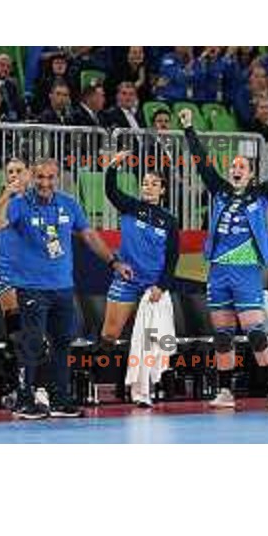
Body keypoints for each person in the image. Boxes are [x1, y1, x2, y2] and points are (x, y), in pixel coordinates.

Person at [178, 107, 268, 410]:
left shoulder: (262, 194)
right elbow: (202, 164)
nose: (236, 169)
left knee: (255, 333)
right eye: (233, 166)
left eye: (242, 167)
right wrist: (189, 130)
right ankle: (226, 392)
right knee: (223, 337)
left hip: (247, 270)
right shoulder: (221, 191)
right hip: (218, 271)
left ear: (251, 173)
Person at [0, 158, 132, 420]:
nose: (45, 183)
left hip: (63, 288)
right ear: (32, 177)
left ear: (57, 178)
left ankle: (59, 399)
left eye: (50, 177)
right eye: (40, 177)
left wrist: (114, 262)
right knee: (31, 344)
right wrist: (7, 193)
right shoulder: (19, 203)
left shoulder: (68, 203)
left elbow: (88, 235)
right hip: (31, 288)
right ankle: (24, 400)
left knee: (62, 344)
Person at [98, 152, 179, 405]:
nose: (149, 187)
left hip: (153, 288)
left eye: (155, 184)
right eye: (145, 183)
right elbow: (111, 191)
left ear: (163, 190)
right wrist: (112, 167)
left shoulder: (169, 221)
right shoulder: (130, 206)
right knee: (110, 335)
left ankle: (145, 389)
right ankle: (98, 384)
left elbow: (172, 258)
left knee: (152, 340)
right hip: (127, 281)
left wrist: (162, 286)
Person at [0, 158, 32, 401]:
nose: (14, 175)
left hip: (34, 276)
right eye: (10, 172)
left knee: (34, 332)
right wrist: (7, 195)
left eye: (18, 171)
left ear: (28, 174)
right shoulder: (1, 200)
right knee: (16, 332)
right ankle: (14, 386)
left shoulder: (36, 201)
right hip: (8, 274)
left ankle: (32, 385)